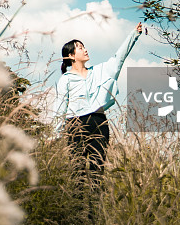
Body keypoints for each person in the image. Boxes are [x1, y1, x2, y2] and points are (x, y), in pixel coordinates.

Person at [55, 23, 142, 171]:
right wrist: (56, 133)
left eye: (84, 46)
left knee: (98, 168)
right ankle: (78, 195)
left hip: (99, 123)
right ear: (71, 55)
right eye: (80, 47)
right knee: (78, 169)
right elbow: (60, 106)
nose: (85, 49)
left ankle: (96, 195)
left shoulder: (100, 71)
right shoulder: (66, 79)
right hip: (75, 125)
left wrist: (133, 34)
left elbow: (119, 58)